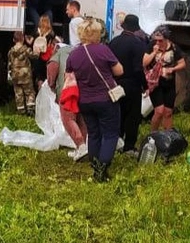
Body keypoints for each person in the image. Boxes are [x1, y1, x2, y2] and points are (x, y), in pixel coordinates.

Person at [66, 18, 123, 182]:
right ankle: (102, 170)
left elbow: (69, 76)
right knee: (110, 134)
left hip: (84, 101)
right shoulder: (103, 50)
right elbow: (119, 71)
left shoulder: (74, 54)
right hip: (106, 99)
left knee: (93, 133)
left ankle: (95, 164)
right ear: (97, 33)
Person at [108, 14, 149, 156]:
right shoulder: (138, 44)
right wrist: (145, 84)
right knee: (133, 116)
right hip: (132, 84)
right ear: (136, 28)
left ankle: (116, 142)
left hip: (116, 83)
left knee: (118, 113)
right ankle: (129, 146)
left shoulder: (114, 42)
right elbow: (138, 68)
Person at [47, 39, 88, 161]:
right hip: (83, 91)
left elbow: (52, 70)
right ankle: (83, 147)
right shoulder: (79, 52)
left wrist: (52, 85)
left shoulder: (58, 53)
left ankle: (81, 146)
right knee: (81, 119)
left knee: (68, 119)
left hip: (67, 91)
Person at [143, 25, 186, 132]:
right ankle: (153, 134)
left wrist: (173, 69)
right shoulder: (152, 45)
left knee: (168, 112)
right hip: (155, 82)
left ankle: (168, 136)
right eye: (156, 40)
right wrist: (154, 53)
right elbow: (144, 63)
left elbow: (183, 63)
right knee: (159, 111)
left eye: (160, 41)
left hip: (169, 82)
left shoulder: (174, 48)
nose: (158, 43)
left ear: (166, 39)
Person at [8, 31, 35, 115]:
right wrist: (37, 50)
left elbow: (9, 64)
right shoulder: (26, 50)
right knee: (29, 92)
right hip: (26, 75)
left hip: (15, 75)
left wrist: (10, 74)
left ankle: (21, 111)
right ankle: (30, 110)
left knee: (18, 94)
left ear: (13, 40)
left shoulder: (10, 52)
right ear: (23, 39)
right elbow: (34, 56)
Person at [29, 14, 55, 87]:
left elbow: (30, 42)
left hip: (37, 57)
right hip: (46, 57)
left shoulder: (36, 32)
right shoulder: (51, 33)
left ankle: (39, 92)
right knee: (45, 76)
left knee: (39, 76)